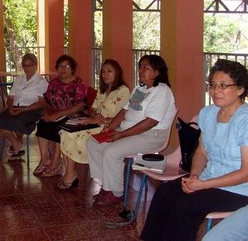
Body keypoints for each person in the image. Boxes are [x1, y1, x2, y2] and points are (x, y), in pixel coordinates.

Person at [140, 59, 248, 241]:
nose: (216, 91)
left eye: (223, 85)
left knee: (186, 205)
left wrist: (203, 185)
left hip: (238, 189)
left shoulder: (244, 120)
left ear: (240, 89)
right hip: (208, 178)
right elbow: (201, 152)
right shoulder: (208, 113)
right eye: (213, 85)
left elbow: (246, 173)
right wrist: (194, 176)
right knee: (164, 193)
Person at [87, 54, 177, 206]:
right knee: (93, 142)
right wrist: (110, 129)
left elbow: (150, 122)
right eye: (140, 67)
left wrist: (120, 135)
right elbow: (124, 111)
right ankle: (106, 185)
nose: (141, 71)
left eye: (146, 68)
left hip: (150, 136)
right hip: (128, 130)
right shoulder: (140, 88)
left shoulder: (162, 92)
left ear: (157, 72)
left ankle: (116, 193)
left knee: (112, 151)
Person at [58, 59, 130, 190]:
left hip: (110, 126)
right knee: (65, 132)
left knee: (75, 136)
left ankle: (70, 175)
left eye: (109, 71)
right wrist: (95, 114)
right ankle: (71, 172)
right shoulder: (102, 89)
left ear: (117, 73)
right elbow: (92, 108)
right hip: (95, 123)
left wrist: (101, 120)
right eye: (103, 72)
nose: (105, 74)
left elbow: (123, 116)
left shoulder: (123, 91)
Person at [34, 54, 88, 177]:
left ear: (72, 68)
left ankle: (56, 163)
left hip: (74, 115)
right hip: (55, 114)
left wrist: (59, 114)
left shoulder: (78, 84)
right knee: (42, 124)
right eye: (60, 66)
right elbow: (46, 101)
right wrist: (47, 114)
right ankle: (44, 159)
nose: (63, 69)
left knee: (59, 127)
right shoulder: (54, 83)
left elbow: (81, 106)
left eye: (66, 66)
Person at [0, 53, 48, 161]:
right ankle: (16, 143)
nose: (28, 68)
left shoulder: (41, 81)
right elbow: (10, 97)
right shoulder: (19, 79)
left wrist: (24, 109)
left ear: (36, 65)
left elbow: (42, 102)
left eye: (30, 65)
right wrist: (10, 108)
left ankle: (16, 146)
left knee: (17, 121)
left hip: (33, 109)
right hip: (16, 107)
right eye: (25, 66)